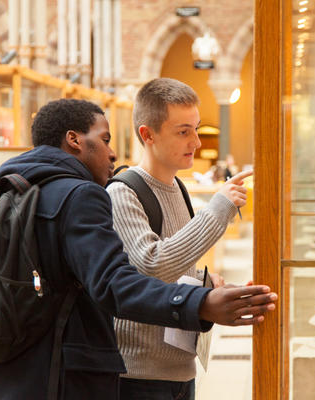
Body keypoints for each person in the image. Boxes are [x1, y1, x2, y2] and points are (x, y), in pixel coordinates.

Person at [0, 99, 277, 400]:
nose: (113, 152)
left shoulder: (20, 191)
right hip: (62, 377)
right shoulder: (80, 196)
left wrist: (204, 286)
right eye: (105, 139)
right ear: (74, 140)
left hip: (15, 375)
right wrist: (199, 303)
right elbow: (115, 283)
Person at [107, 78, 252, 399]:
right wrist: (219, 207)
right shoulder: (122, 192)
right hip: (138, 373)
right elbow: (152, 265)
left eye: (196, 129)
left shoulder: (179, 188)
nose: (197, 142)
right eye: (183, 131)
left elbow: (175, 268)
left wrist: (205, 283)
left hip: (180, 366)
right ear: (148, 134)